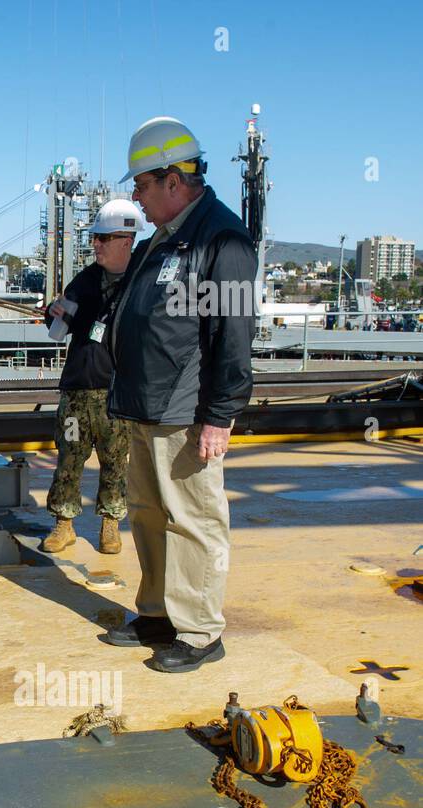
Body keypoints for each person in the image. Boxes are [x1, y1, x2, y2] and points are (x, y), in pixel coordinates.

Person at [101, 116, 256, 673]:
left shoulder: (222, 239)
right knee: (146, 512)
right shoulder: (163, 240)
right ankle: (158, 613)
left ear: (172, 179)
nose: (136, 199)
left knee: (192, 519)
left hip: (185, 411)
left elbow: (233, 333)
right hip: (144, 406)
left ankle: (198, 630)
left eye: (141, 186)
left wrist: (220, 415)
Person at [40, 198, 144, 555]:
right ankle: (63, 524)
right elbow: (58, 327)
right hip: (77, 391)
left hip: (116, 394)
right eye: (95, 238)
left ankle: (110, 524)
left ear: (126, 241)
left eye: (104, 238)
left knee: (115, 461)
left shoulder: (140, 283)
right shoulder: (85, 280)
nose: (95, 245)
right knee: (69, 458)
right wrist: (54, 313)